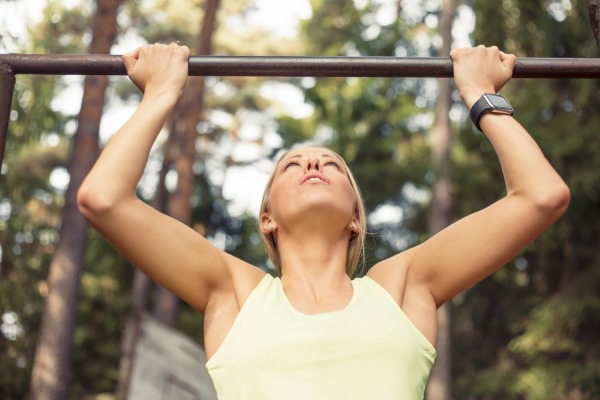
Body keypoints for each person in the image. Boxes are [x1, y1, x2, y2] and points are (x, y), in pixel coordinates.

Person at [77, 43, 570, 399]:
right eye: (292, 164)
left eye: (332, 163)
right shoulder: (234, 292)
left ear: (355, 217)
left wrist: (480, 94)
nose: (313, 165)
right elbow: (103, 198)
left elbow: (541, 196)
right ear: (266, 219)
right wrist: (161, 93)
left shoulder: (400, 288)